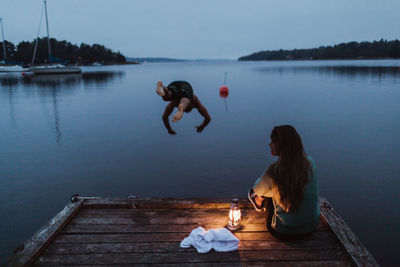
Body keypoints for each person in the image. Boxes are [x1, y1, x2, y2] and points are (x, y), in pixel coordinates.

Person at [248, 125, 320, 240]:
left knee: (259, 193)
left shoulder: (275, 170)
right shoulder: (310, 163)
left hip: (284, 232)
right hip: (311, 227)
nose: (269, 144)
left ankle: (258, 203)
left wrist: (263, 185)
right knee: (279, 188)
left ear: (281, 145)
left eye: (273, 141)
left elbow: (257, 189)